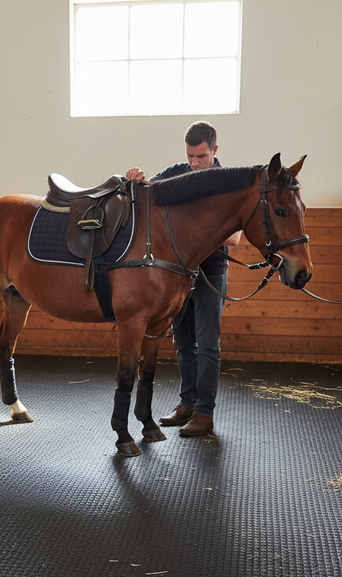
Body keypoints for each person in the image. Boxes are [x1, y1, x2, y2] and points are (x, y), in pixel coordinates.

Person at [125, 121, 241, 438]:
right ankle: (187, 404)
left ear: (214, 150)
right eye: (190, 156)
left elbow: (236, 237)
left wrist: (196, 231)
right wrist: (137, 179)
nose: (194, 163)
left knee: (207, 346)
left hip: (210, 272)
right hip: (178, 275)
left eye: (200, 156)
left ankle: (204, 413)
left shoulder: (226, 184)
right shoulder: (178, 172)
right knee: (182, 343)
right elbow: (150, 189)